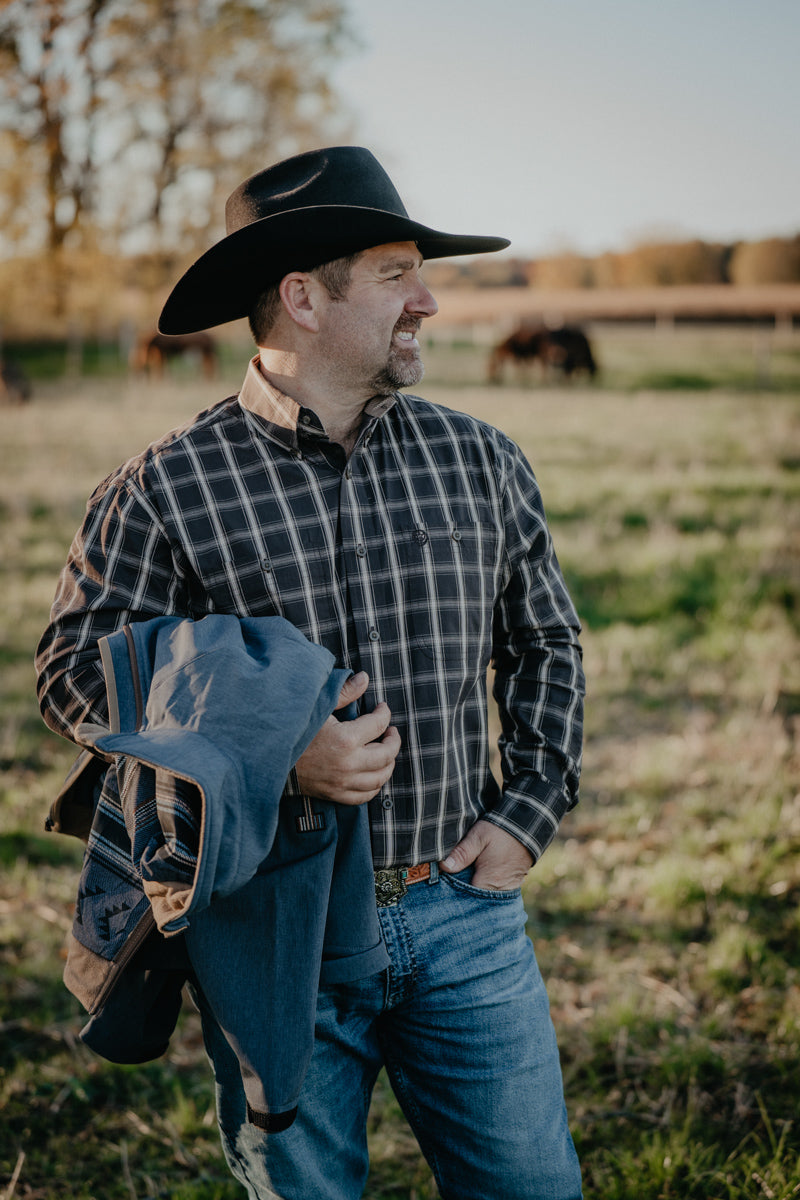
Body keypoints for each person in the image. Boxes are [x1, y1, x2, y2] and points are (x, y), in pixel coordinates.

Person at [36, 146, 585, 1200]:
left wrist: (524, 817)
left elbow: (546, 644)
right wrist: (276, 751)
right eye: (394, 274)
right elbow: (71, 675)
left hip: (461, 912)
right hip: (267, 935)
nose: (425, 299)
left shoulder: (482, 460)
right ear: (302, 297)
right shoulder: (161, 489)